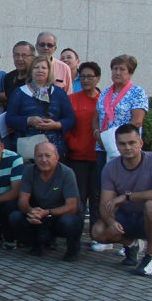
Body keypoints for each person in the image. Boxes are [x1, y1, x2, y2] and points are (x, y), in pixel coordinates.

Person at [90, 124, 152, 276]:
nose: (127, 147)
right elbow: (104, 204)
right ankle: (131, 244)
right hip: (126, 217)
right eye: (122, 144)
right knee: (97, 231)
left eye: (131, 143)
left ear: (140, 143)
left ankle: (150, 258)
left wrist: (128, 196)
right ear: (117, 145)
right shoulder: (110, 168)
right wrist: (111, 222)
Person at [9, 142, 81, 260]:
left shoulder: (67, 173)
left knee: (69, 221)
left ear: (57, 157)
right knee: (15, 217)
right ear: (34, 158)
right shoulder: (28, 171)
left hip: (59, 214)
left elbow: (72, 207)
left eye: (48, 156)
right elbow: (22, 200)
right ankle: (36, 244)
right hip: (39, 214)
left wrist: (47, 212)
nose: (43, 160)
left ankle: (73, 249)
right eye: (39, 156)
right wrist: (30, 211)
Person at [6, 56, 75, 157]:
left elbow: (70, 119)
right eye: (36, 67)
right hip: (27, 148)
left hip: (54, 147)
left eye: (44, 68)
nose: (40, 70)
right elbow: (9, 119)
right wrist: (29, 120)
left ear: (49, 71)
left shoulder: (59, 93)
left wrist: (56, 125)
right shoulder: (19, 92)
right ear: (31, 71)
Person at [65, 61, 101, 230]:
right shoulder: (72, 99)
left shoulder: (104, 100)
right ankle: (75, 233)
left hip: (99, 156)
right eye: (83, 76)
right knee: (79, 197)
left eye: (90, 76)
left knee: (97, 196)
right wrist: (73, 143)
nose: (86, 80)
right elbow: (65, 125)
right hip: (77, 156)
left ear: (98, 78)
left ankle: (97, 233)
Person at [0, 41, 35, 106]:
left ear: (33, 58)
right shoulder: (8, 77)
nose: (20, 59)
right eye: (16, 55)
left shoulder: (38, 79)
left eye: (24, 55)